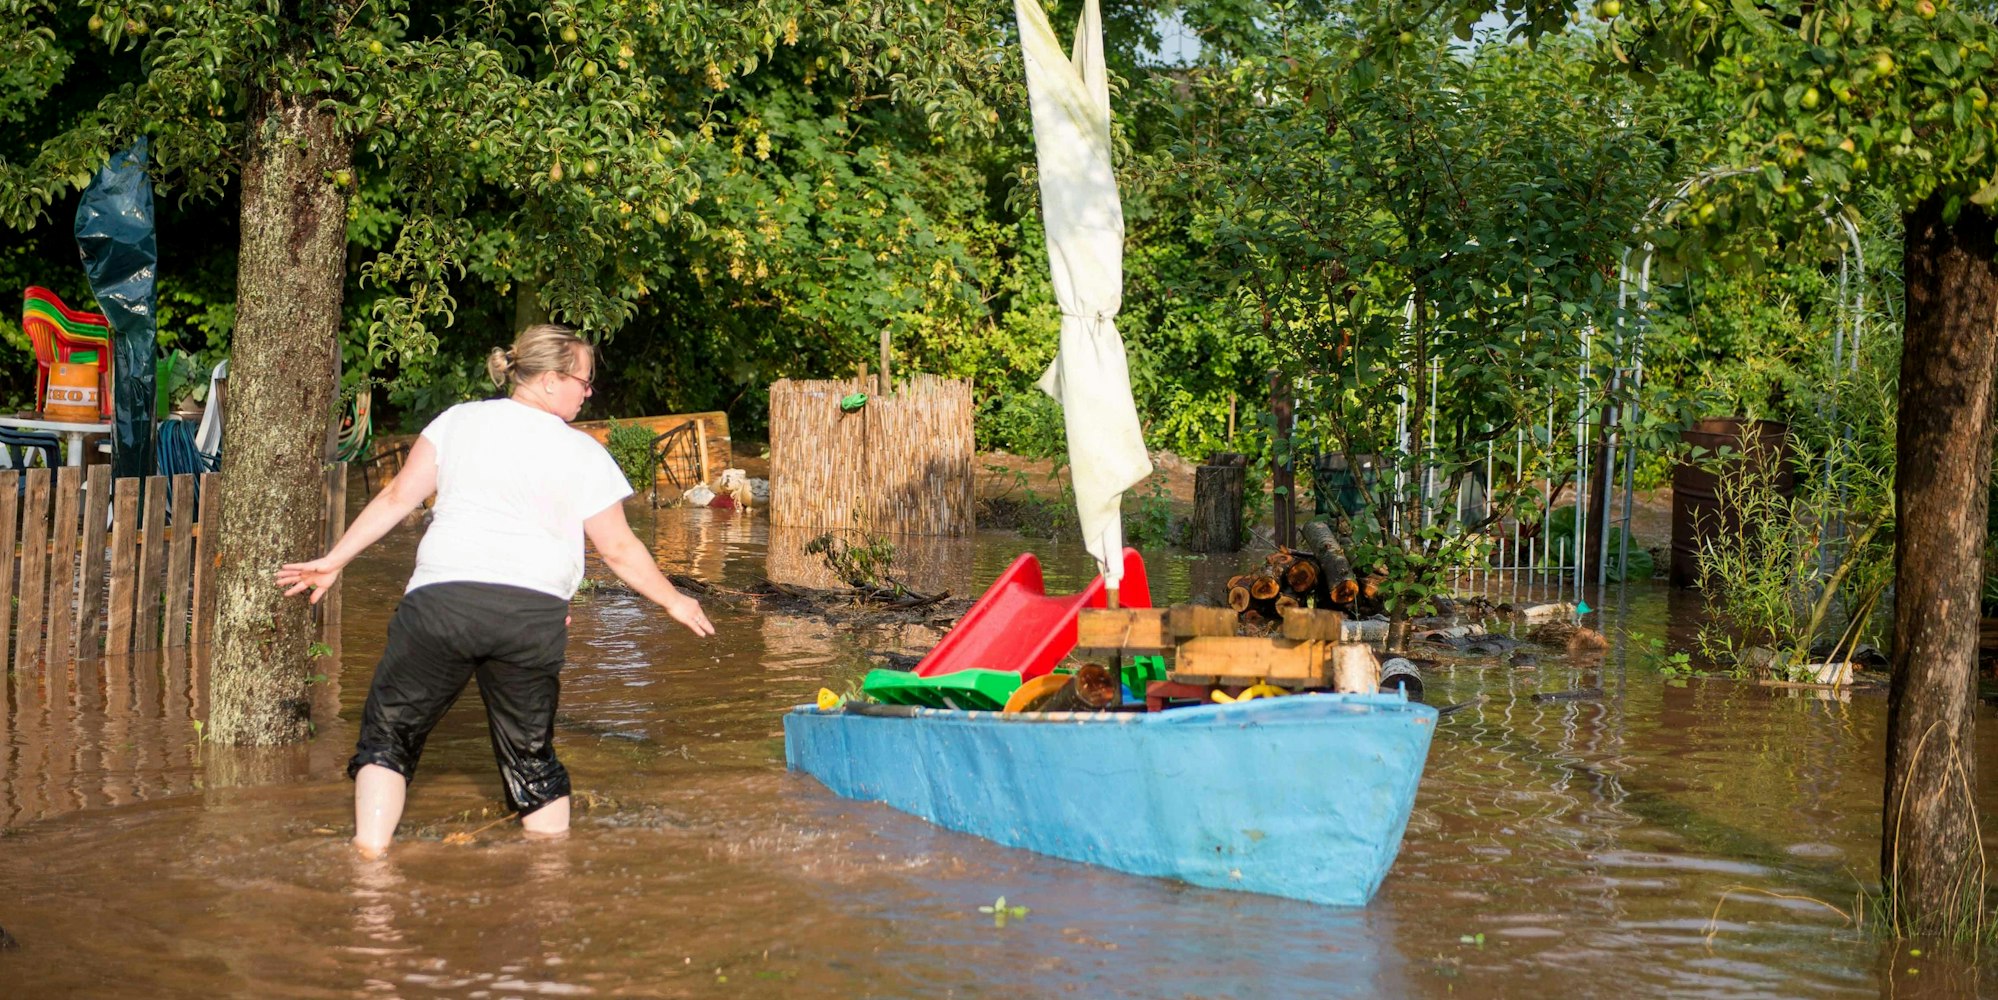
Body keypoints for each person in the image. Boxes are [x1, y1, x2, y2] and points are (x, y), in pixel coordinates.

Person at [277, 323, 714, 856]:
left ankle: (369, 866)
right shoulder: (583, 452)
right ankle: (549, 880)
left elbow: (396, 500)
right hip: (531, 618)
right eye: (584, 380)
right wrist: (674, 600)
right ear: (550, 380)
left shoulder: (457, 422)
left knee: (388, 739)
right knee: (531, 760)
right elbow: (619, 549)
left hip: (441, 605)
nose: (589, 392)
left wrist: (334, 561)